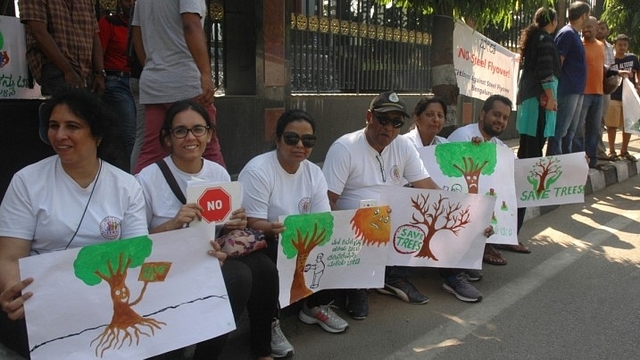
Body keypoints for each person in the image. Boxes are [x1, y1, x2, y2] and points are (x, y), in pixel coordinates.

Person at [0, 89, 161, 358]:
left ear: (97, 134)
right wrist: (13, 293)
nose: (60, 135)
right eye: (54, 126)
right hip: (42, 300)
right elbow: (9, 257)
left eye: (72, 126)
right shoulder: (27, 181)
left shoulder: (126, 186)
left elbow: (135, 257)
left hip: (104, 301)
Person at [136, 100, 277, 360]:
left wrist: (234, 221)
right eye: (180, 131)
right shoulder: (147, 179)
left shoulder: (218, 173)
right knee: (235, 277)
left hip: (205, 256)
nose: (190, 138)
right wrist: (173, 224)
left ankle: (230, 351)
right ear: (167, 138)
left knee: (252, 272)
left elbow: (218, 226)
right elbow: (137, 243)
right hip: (162, 264)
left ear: (209, 134)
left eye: (198, 129)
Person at [238, 110, 349, 355]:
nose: (300, 145)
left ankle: (314, 305)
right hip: (266, 238)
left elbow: (322, 218)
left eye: (308, 140)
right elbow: (252, 222)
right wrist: (273, 229)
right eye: (291, 138)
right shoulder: (258, 170)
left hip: (299, 236)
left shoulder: (313, 172)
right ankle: (271, 321)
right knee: (273, 259)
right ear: (277, 139)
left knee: (335, 243)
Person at [322, 91, 440, 319]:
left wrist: (469, 212)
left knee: (429, 222)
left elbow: (426, 185)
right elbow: (328, 200)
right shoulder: (345, 147)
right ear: (369, 117)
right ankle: (357, 285)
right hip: (355, 227)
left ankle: (389, 277)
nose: (389, 127)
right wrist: (349, 229)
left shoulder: (403, 146)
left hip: (390, 220)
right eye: (383, 119)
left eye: (396, 122)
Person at [402, 96, 483, 303]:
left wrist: (475, 148)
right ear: (417, 118)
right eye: (429, 115)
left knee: (464, 207)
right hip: (409, 202)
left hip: (434, 199)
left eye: (440, 116)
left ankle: (459, 264)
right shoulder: (404, 144)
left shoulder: (444, 144)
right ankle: (452, 275)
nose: (435, 119)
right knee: (443, 212)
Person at [131, 0, 225, 173]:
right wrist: (205, 73)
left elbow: (137, 35)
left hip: (154, 83)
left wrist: (155, 67)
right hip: (186, 82)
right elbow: (190, 24)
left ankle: (136, 197)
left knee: (151, 150)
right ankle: (218, 196)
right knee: (207, 146)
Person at [448, 95, 530, 265]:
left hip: (485, 194)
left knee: (521, 189)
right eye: (496, 114)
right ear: (482, 115)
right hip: (459, 195)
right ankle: (482, 245)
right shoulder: (463, 136)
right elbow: (451, 177)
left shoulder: (499, 146)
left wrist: (573, 166)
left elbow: (521, 171)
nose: (500, 120)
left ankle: (507, 237)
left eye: (505, 118)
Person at [18, 0, 105, 96]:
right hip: (55, 67)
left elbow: (95, 36)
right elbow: (39, 33)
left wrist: (99, 73)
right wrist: (68, 71)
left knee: (88, 108)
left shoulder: (86, 2)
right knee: (69, 106)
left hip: (86, 72)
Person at [546, 1, 591, 156]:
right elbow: (558, 62)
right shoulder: (567, 33)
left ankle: (566, 166)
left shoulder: (574, 34)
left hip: (576, 90)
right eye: (588, 15)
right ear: (584, 15)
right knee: (560, 131)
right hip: (567, 90)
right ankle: (555, 166)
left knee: (570, 132)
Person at [516, 7, 560, 159]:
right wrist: (551, 98)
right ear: (553, 22)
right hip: (538, 98)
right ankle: (530, 180)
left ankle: (521, 178)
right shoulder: (545, 40)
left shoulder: (533, 39)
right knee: (535, 145)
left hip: (529, 96)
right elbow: (545, 70)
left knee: (527, 144)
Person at [99, 0, 137, 170]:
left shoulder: (143, 28)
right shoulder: (109, 23)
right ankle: (131, 179)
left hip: (138, 82)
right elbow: (99, 51)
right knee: (130, 134)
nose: (132, 4)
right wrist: (99, 74)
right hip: (116, 81)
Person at [604, 34, 640, 162]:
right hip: (613, 95)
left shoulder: (632, 58)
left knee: (628, 124)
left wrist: (638, 85)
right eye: (620, 45)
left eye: (625, 45)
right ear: (615, 45)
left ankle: (624, 150)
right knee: (612, 125)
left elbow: (638, 71)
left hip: (628, 97)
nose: (622, 47)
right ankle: (612, 151)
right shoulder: (610, 60)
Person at [595, 20, 615, 160]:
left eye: (603, 28)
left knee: (601, 121)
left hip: (605, 89)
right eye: (598, 28)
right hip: (592, 88)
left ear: (608, 31)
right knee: (590, 121)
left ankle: (599, 151)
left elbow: (611, 68)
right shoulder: (591, 45)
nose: (600, 31)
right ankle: (593, 151)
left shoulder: (609, 48)